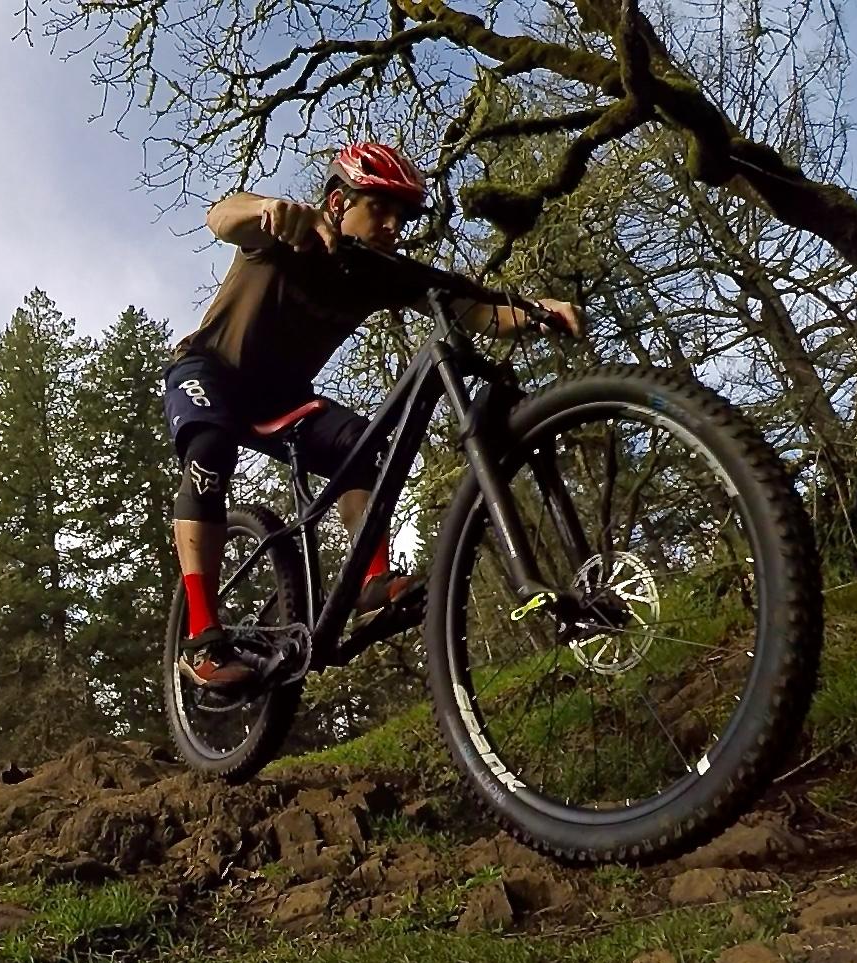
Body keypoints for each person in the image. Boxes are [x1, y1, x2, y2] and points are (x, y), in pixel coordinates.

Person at [166, 141, 585, 690]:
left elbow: (477, 311)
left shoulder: (381, 273)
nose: (393, 226)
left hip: (284, 401)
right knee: (210, 451)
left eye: (402, 217)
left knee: (364, 444)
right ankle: (202, 636)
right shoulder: (287, 235)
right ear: (339, 202)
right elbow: (222, 216)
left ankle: (371, 581)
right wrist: (268, 208)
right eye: (380, 208)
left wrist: (535, 311)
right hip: (210, 372)